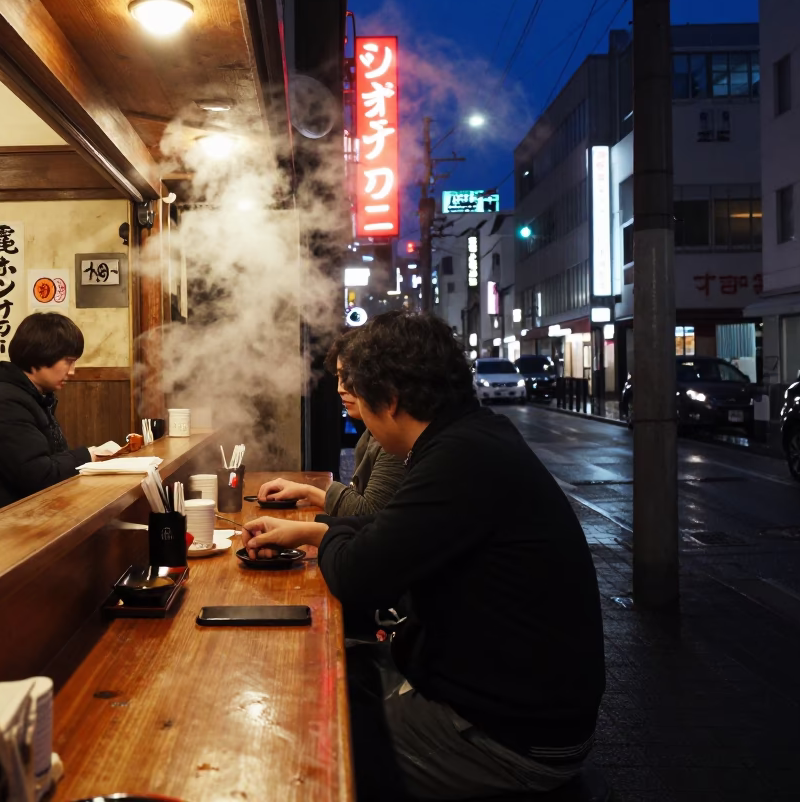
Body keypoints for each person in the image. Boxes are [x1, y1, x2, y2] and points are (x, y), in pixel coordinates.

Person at [243, 311, 605, 801]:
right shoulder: (474, 435)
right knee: (330, 681)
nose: (362, 421)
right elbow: (394, 530)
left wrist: (321, 538)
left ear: (390, 401)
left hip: (510, 739)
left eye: (364, 408)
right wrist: (310, 530)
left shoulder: (459, 458)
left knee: (302, 749)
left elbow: (359, 576)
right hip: (517, 708)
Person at [0, 312, 99, 527]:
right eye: (68, 361)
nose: (73, 371)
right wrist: (88, 456)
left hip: (11, 519)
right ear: (43, 354)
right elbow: (40, 477)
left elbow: (51, 459)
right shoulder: (1, 401)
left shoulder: (30, 395)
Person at [257, 333, 405, 518]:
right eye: (339, 377)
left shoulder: (394, 439)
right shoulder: (374, 431)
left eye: (349, 378)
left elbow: (368, 514)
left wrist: (307, 494)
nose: (340, 388)